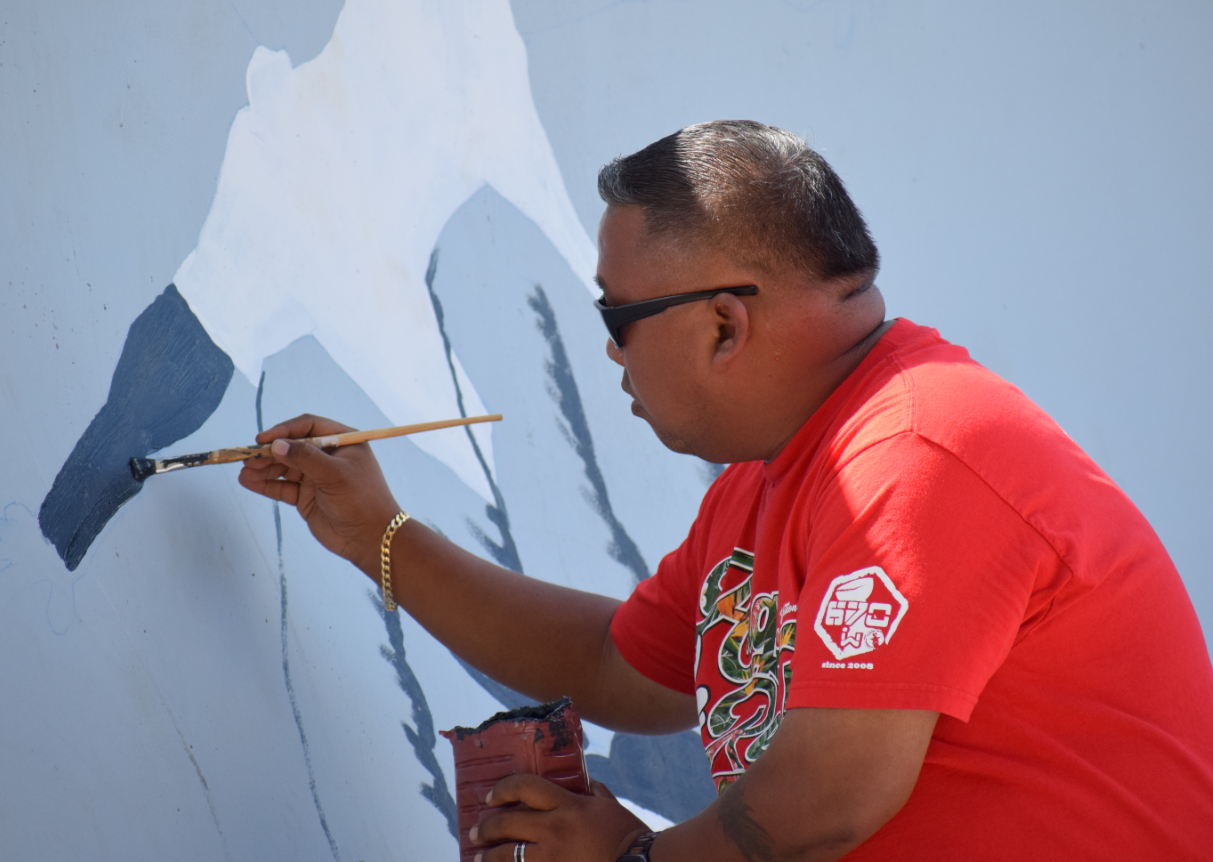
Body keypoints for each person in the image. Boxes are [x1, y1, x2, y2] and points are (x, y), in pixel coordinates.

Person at [239, 120, 1213, 861]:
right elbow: (615, 665)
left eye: (616, 316)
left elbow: (832, 790)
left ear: (720, 326)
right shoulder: (770, 481)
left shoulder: (919, 450)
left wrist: (635, 856)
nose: (607, 349)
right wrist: (378, 531)